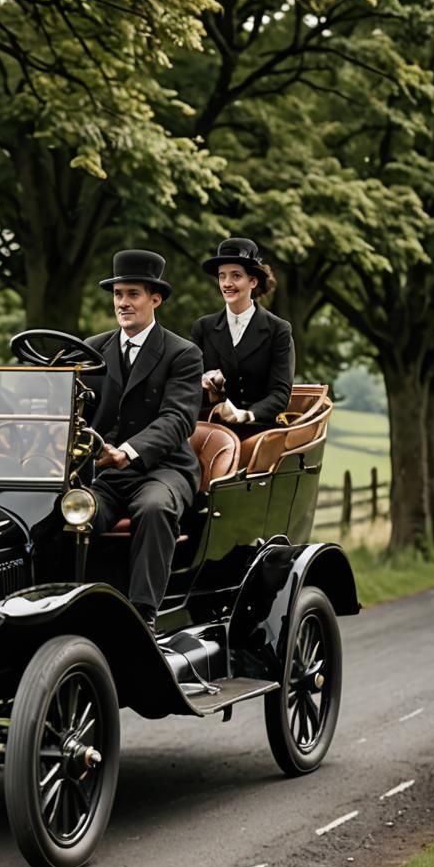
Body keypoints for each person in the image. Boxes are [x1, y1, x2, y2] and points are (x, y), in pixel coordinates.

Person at [84, 249, 203, 627]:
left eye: (132, 294)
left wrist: (128, 452)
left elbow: (177, 419)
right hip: (104, 473)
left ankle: (142, 617)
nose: (123, 303)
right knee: (68, 513)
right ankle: (64, 606)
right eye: (118, 295)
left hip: (164, 470)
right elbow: (77, 412)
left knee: (154, 508)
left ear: (155, 299)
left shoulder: (183, 354)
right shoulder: (93, 349)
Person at [190, 237, 294, 440]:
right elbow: (186, 382)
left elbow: (280, 394)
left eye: (236, 276)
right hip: (210, 430)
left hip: (257, 433)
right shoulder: (203, 327)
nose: (227, 284)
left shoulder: (278, 329)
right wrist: (207, 386)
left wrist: (246, 414)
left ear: (253, 281)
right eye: (222, 277)